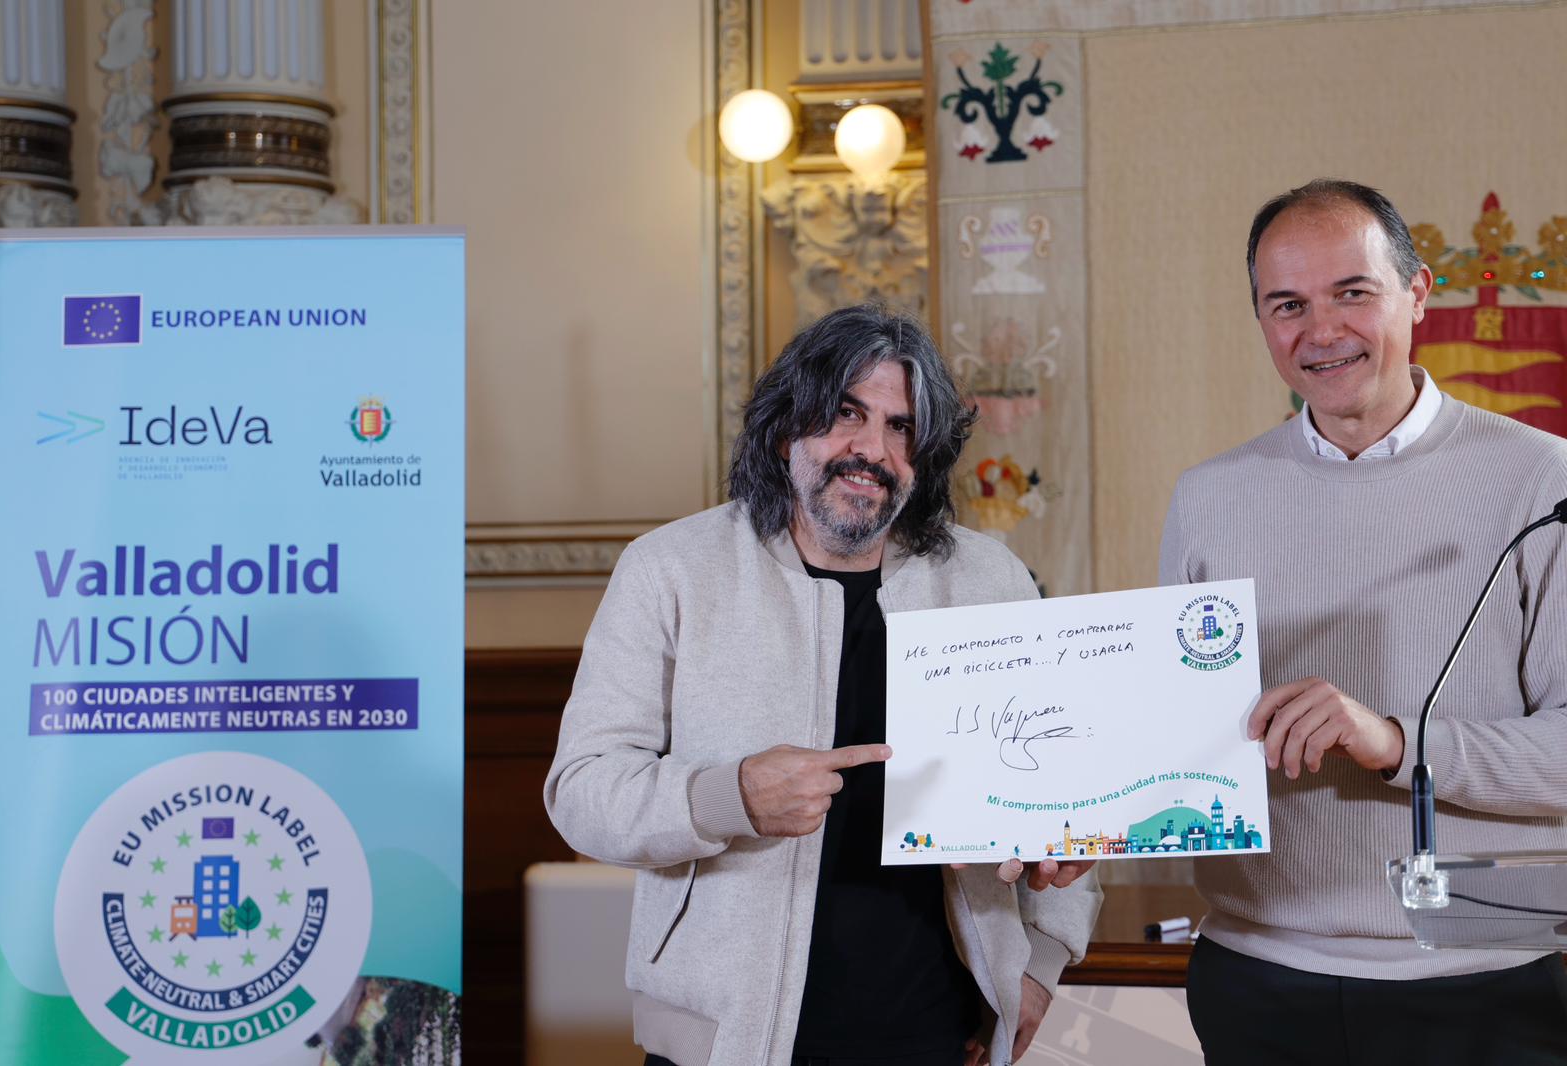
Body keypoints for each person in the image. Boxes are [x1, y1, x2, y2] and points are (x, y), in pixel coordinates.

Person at [546, 305, 1100, 1066]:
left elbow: (1069, 782)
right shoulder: (670, 570)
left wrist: (1037, 965)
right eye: (846, 414)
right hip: (722, 1042)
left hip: (934, 1033)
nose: (872, 449)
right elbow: (582, 789)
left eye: (902, 428)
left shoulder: (989, 579)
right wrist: (732, 796)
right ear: (785, 430)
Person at [1160, 179, 1567, 1064]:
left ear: (1418, 293)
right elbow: (1182, 745)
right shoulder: (1207, 497)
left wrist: (1393, 742)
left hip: (1486, 982)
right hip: (1255, 975)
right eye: (1288, 305)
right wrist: (1073, 823)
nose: (1322, 331)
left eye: (1353, 292)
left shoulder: (1544, 482)